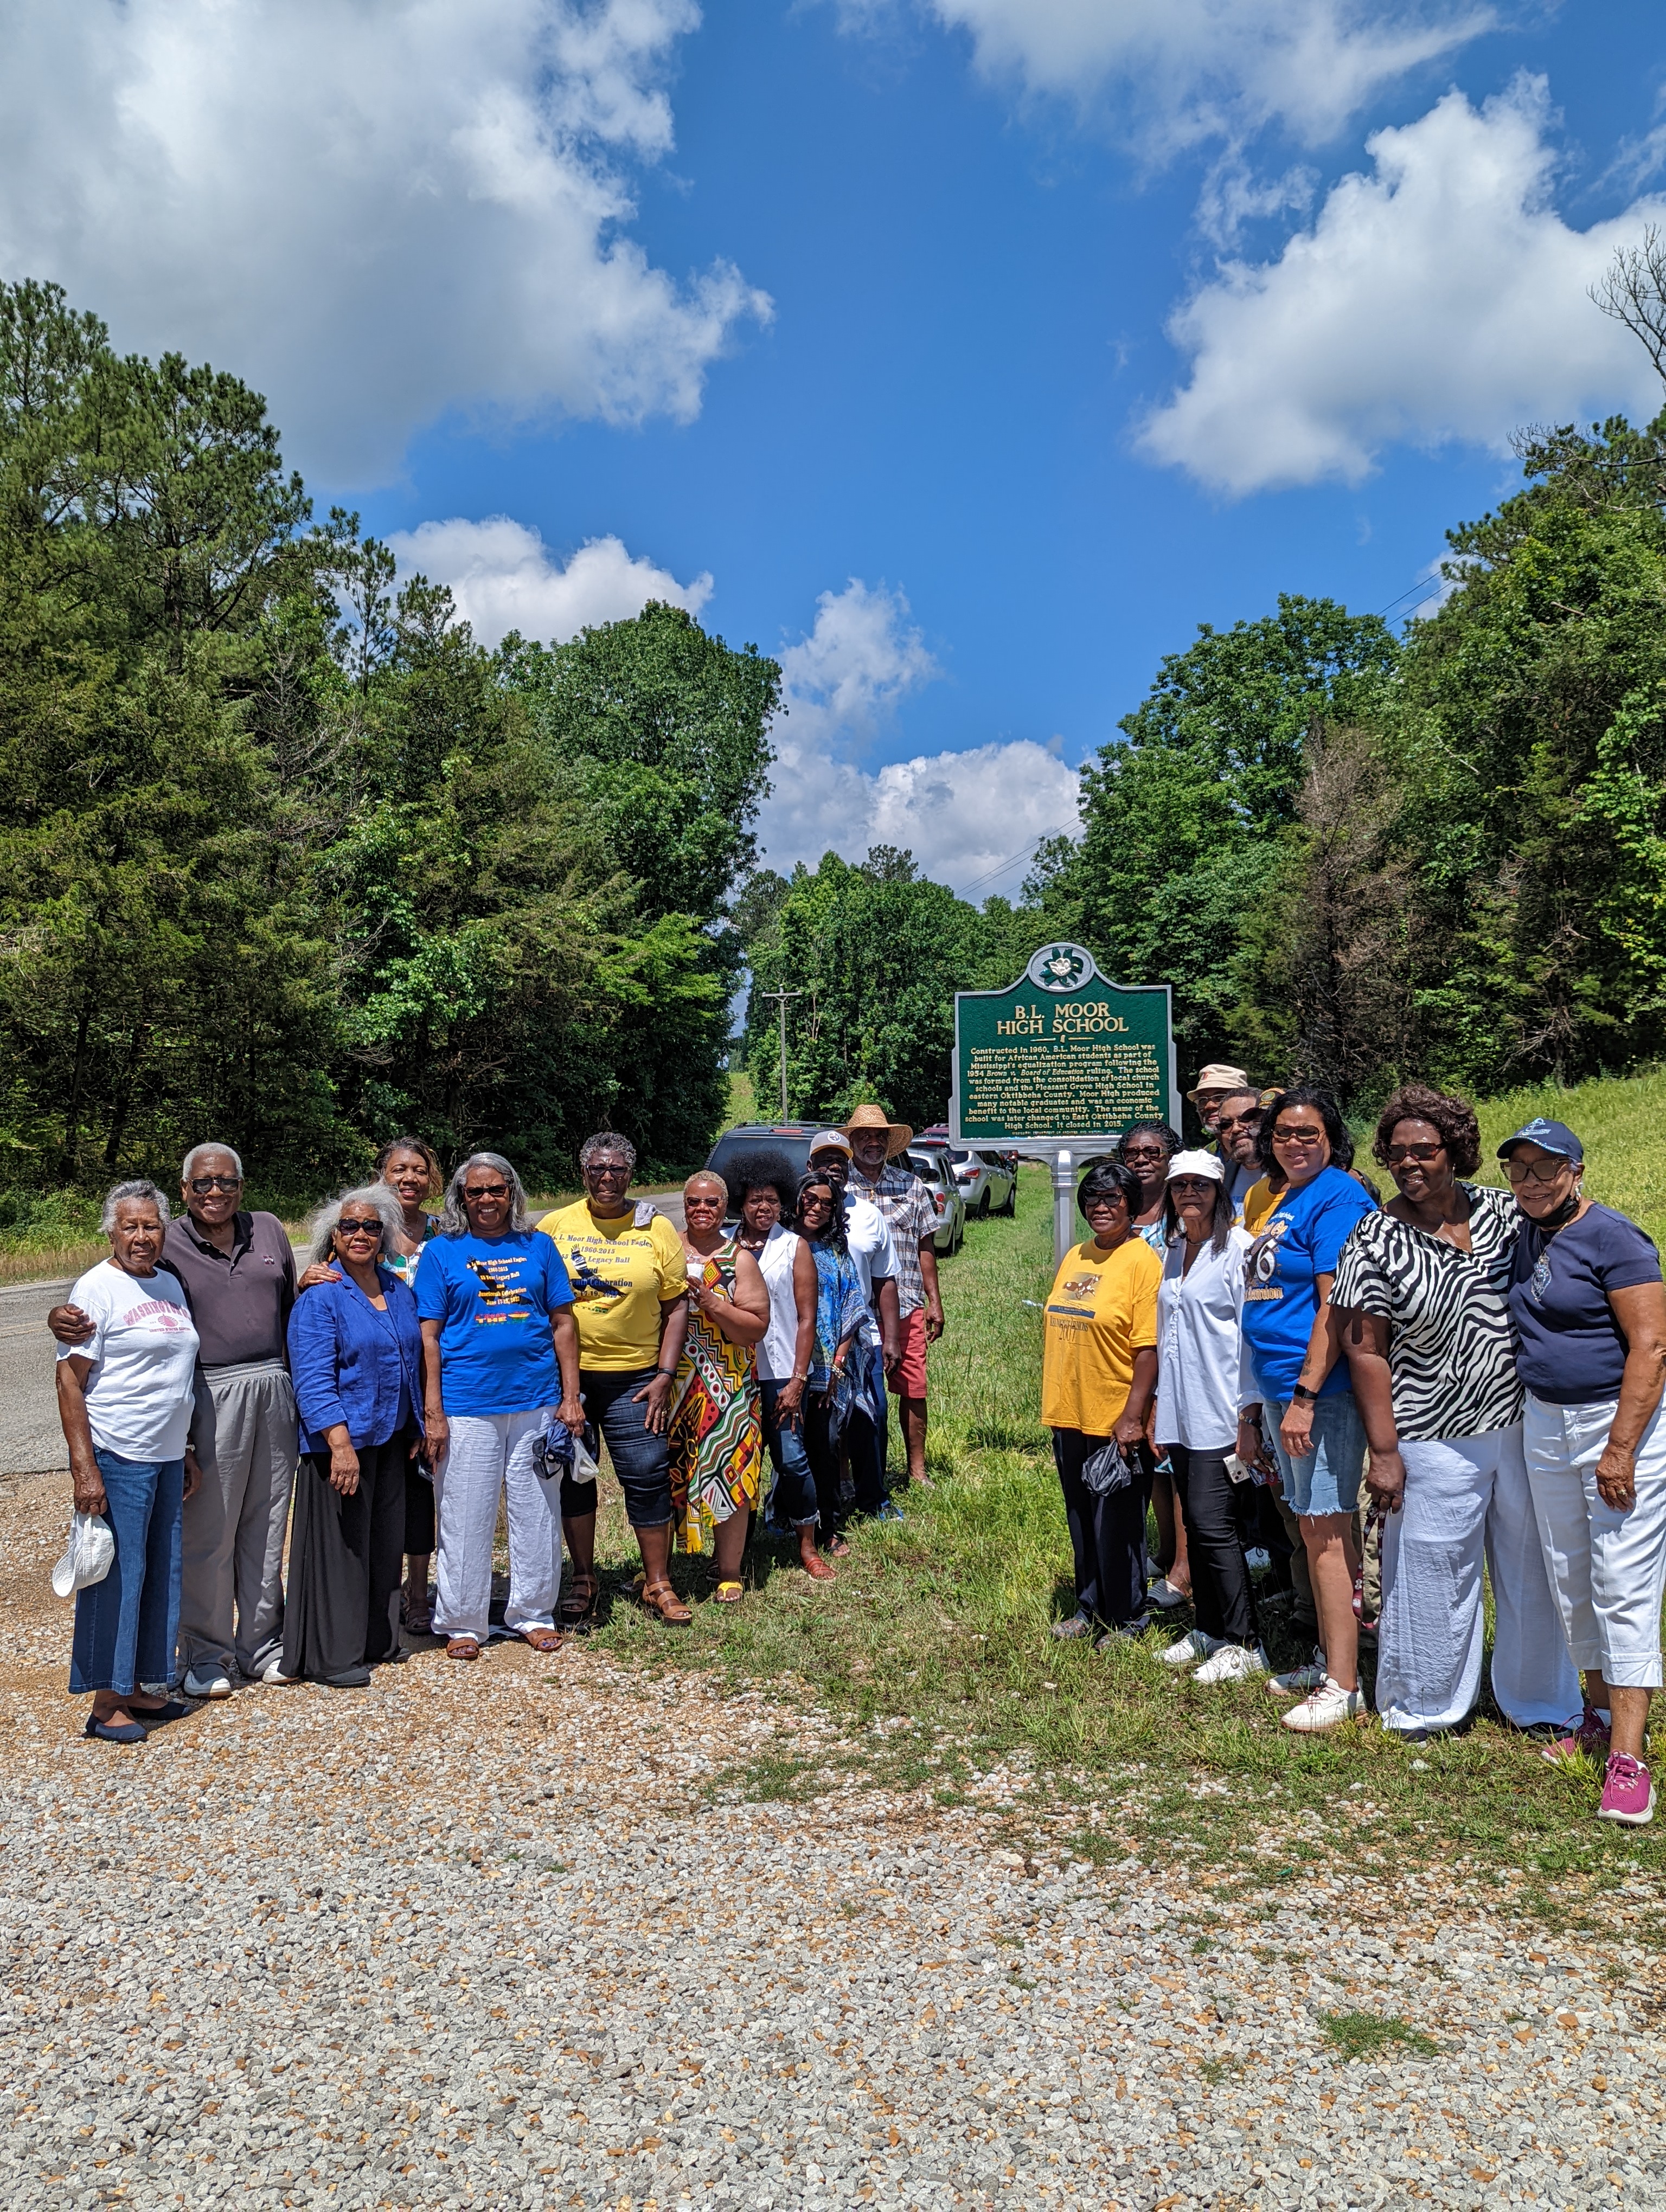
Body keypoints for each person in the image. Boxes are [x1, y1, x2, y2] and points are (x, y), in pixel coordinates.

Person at [1335, 1088, 1580, 1743]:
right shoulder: (1375, 1235)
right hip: (1431, 1433)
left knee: (1532, 1564)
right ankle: (1426, 1704)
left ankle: (1542, 1701)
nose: (1410, 1163)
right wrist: (1384, 1451)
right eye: (1397, 1152)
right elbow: (1364, 1349)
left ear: (1455, 1149)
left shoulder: (1508, 1214)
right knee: (1434, 1572)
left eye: (1426, 1149)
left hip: (1525, 1421)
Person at [51, 1142, 300, 1699]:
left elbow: (291, 1306)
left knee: (264, 1528)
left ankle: (261, 1645)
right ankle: (204, 1654)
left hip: (262, 1392)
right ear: (185, 1192)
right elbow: (101, 1302)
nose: (216, 1193)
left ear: (242, 1186)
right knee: (205, 1535)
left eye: (227, 1183)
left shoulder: (267, 1231)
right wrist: (56, 1315)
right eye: (204, 1185)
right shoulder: (169, 1248)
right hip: (203, 1399)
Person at [1503, 1117, 1666, 1825]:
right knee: (1572, 1575)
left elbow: (1653, 1347)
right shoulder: (1526, 1234)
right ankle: (1596, 1719)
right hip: (1546, 1421)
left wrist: (1622, 1449)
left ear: (1577, 1170)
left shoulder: (1615, 1238)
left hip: (1616, 1424)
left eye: (1547, 1169)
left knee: (1621, 1579)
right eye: (1520, 1170)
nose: (1532, 1182)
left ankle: (1630, 1761)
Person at [1239, 1086, 1376, 1732]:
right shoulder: (1287, 1197)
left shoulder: (1341, 1196)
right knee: (1313, 1526)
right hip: (1277, 1385)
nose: (1295, 1143)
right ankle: (1329, 1655)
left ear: (1332, 1138)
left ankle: (1344, 1684)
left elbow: (1338, 1303)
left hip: (1320, 1393)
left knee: (1326, 1531)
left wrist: (1306, 1396)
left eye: (1308, 1133)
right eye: (1284, 1133)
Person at [418, 1153, 583, 1661]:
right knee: (465, 1513)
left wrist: (571, 1398)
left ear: (513, 1193)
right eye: (475, 1192)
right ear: (460, 1199)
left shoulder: (539, 1246)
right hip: (468, 1404)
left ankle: (533, 1613)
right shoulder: (442, 1252)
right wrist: (434, 1411)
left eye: (497, 1190)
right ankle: (463, 1621)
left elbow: (563, 1323)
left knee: (536, 1510)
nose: (487, 1200)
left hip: (536, 1400)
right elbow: (430, 1335)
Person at [56, 1182, 202, 1742]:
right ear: (110, 1231)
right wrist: (83, 1468)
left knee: (161, 1573)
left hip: (165, 1456)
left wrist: (186, 1450)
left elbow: (176, 1376)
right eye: (130, 1227)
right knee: (117, 1577)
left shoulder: (168, 1283)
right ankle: (104, 1701)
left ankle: (142, 1683)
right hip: (118, 1455)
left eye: (151, 1226)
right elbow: (70, 1382)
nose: (141, 1237)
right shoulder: (95, 1289)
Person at [537, 1133, 691, 1628]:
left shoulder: (657, 1228)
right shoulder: (555, 1227)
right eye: (599, 1170)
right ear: (583, 1174)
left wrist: (666, 1374)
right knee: (576, 1478)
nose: (608, 1178)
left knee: (646, 1477)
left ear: (631, 1174)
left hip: (638, 1380)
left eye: (618, 1170)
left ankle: (658, 1582)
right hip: (571, 1381)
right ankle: (583, 1578)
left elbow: (676, 1304)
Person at [298, 1132, 445, 1633]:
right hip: (368, 1394)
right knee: (374, 1507)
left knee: (415, 1499)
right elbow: (320, 1289)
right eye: (399, 1169)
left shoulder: (445, 1233)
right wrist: (307, 1282)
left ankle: (417, 1593)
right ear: (383, 1174)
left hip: (424, 1384)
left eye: (419, 1170)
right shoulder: (358, 1224)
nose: (409, 1178)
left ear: (432, 1178)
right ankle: (356, 1615)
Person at [282, 1184, 426, 1687]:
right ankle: (332, 1655)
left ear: (385, 1235)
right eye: (350, 1226)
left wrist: (416, 1425)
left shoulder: (397, 1289)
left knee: (385, 1544)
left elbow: (413, 1363)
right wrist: (339, 1444)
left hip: (389, 1439)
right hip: (341, 1445)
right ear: (333, 1236)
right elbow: (313, 1376)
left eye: (371, 1227)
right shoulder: (321, 1296)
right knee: (342, 1551)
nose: (361, 1234)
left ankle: (377, 1641)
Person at [1152, 1152, 1267, 1683]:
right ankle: (1211, 1629)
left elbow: (1252, 1334)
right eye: (1179, 1187)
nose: (1188, 1194)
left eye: (1199, 1185)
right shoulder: (1176, 1250)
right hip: (1182, 1410)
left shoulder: (1239, 1250)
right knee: (1196, 1527)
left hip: (1222, 1412)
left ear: (1220, 1192)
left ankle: (1245, 1642)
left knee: (1216, 1527)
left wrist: (1250, 1413)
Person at [1043, 1160, 1162, 1648]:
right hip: (1068, 1409)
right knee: (1080, 1515)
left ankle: (1130, 1616)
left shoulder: (1141, 1261)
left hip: (1116, 1415)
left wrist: (1134, 1417)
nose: (1101, 1207)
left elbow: (1148, 1348)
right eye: (1093, 1199)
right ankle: (1089, 1606)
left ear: (1132, 1205)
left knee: (1118, 1522)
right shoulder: (1076, 1255)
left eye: (1113, 1198)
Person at [732, 1152, 834, 1580]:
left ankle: (808, 1544)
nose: (763, 1208)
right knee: (737, 1461)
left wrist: (798, 1379)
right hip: (733, 1372)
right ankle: (735, 1552)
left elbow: (807, 1318)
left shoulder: (794, 1247)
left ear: (783, 1203)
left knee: (791, 1459)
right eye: (755, 1199)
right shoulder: (725, 1245)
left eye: (772, 1200)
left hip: (781, 1373)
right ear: (742, 1201)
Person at [670, 1172, 768, 1600]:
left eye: (711, 1203)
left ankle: (729, 1569)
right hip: (670, 1386)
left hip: (728, 1388)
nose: (702, 1210)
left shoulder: (738, 1259)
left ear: (724, 1207)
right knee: (665, 1475)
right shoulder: (666, 1249)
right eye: (694, 1202)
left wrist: (712, 1303)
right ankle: (661, 1569)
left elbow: (756, 1328)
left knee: (732, 1471)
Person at [843, 1104, 942, 1494]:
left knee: (913, 1388)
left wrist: (934, 1301)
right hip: (855, 1310)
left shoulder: (910, 1185)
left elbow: (926, 1248)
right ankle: (847, 1475)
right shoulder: (836, 1188)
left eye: (879, 1136)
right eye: (865, 1136)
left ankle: (916, 1469)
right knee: (850, 1393)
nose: (872, 1142)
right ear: (851, 1142)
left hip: (905, 1305)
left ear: (888, 1142)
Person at [806, 1130, 901, 1528]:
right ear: (809, 1167)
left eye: (841, 1160)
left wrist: (892, 1338)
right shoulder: (797, 1219)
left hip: (862, 1338)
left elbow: (885, 1280)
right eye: (825, 1159)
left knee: (869, 1417)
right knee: (814, 1428)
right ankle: (809, 1505)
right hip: (808, 1343)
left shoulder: (868, 1214)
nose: (834, 1166)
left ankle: (872, 1498)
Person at [1118, 1121, 1187, 1610]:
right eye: (1134, 1152)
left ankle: (1185, 1568)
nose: (1143, 1160)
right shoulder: (1116, 1214)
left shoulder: (1184, 1216)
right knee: (1149, 1461)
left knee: (1175, 1458)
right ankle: (1162, 1551)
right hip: (1126, 1354)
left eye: (1153, 1152)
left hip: (1176, 1352)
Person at [792, 1173, 875, 1560]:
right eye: (810, 1199)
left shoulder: (835, 1253)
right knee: (784, 1449)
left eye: (827, 1203)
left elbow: (851, 1308)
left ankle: (829, 1526)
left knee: (823, 1447)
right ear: (796, 1199)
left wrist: (838, 1366)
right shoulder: (778, 1246)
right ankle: (783, 1519)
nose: (817, 1208)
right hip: (779, 1364)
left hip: (825, 1369)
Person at [1118, 1122, 1180, 1252]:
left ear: (1171, 1157)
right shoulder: (1114, 1209)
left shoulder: (1185, 1213)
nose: (1141, 1160)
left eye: (1152, 1152)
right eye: (1131, 1153)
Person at [1211, 1090, 1266, 1221]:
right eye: (1226, 1124)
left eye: (1246, 1120)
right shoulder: (1219, 1178)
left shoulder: (1292, 1177)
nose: (1236, 1129)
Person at [1187, 1063, 1255, 1142]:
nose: (1209, 1106)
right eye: (1202, 1100)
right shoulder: (1207, 1152)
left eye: (1220, 1098)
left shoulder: (1266, 1149)